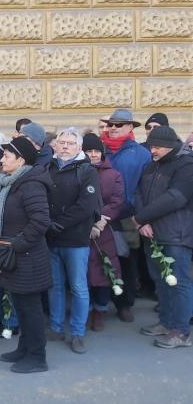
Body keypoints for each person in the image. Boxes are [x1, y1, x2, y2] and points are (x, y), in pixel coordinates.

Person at [0, 137, 52, 374]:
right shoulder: (10, 182)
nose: (1, 159)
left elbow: (41, 221)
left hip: (27, 258)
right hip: (14, 257)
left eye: (6, 156)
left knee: (30, 309)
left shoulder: (31, 184)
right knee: (20, 307)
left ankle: (37, 357)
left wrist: (17, 245)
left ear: (21, 160)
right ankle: (24, 348)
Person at [134, 126, 193, 349]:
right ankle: (167, 323)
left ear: (170, 146)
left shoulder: (186, 165)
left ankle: (181, 331)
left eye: (156, 147)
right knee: (161, 281)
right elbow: (139, 193)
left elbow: (175, 198)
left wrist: (141, 217)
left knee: (179, 283)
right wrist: (143, 221)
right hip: (152, 232)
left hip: (176, 234)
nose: (153, 151)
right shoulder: (152, 165)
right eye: (151, 146)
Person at [45, 127, 101, 354]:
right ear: (55, 146)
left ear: (79, 147)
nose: (65, 146)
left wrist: (58, 224)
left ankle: (77, 332)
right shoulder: (47, 167)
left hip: (75, 239)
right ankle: (56, 327)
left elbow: (86, 205)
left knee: (78, 287)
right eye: (62, 142)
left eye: (70, 143)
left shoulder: (87, 170)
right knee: (55, 286)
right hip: (50, 238)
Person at [101, 109, 151, 322]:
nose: (113, 128)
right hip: (101, 216)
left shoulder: (141, 153)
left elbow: (145, 187)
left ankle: (125, 303)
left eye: (119, 125)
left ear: (131, 127)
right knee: (103, 261)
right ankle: (102, 304)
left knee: (126, 261)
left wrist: (140, 214)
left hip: (127, 216)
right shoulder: (99, 150)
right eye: (111, 124)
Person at [82, 133, 125, 332]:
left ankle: (100, 309)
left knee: (103, 272)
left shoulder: (113, 175)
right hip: (82, 231)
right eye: (89, 151)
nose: (93, 155)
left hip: (104, 231)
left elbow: (116, 201)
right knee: (84, 275)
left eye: (96, 151)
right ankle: (87, 309)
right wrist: (87, 222)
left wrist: (99, 221)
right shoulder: (79, 172)